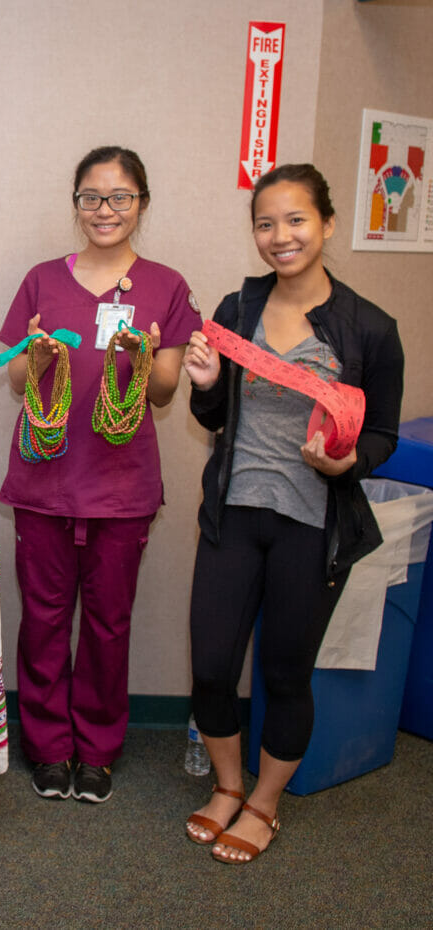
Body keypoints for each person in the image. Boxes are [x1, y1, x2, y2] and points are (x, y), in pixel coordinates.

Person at [182, 164, 404, 863]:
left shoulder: (369, 328)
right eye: (266, 223)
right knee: (213, 666)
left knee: (284, 674)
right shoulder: (234, 311)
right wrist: (209, 384)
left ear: (327, 224)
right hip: (234, 513)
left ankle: (265, 804)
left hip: (312, 524)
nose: (281, 236)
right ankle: (226, 787)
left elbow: (383, 435)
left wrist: (350, 464)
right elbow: (209, 415)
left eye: (296, 220)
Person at [0, 146, 195, 804]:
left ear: (141, 203)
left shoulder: (165, 286)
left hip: (121, 485)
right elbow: (20, 381)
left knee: (110, 623)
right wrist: (38, 352)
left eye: (119, 197)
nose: (103, 210)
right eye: (90, 196)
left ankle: (99, 750)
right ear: (75, 202)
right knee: (45, 619)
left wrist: (141, 360)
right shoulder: (41, 281)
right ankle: (49, 748)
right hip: (46, 479)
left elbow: (164, 395)